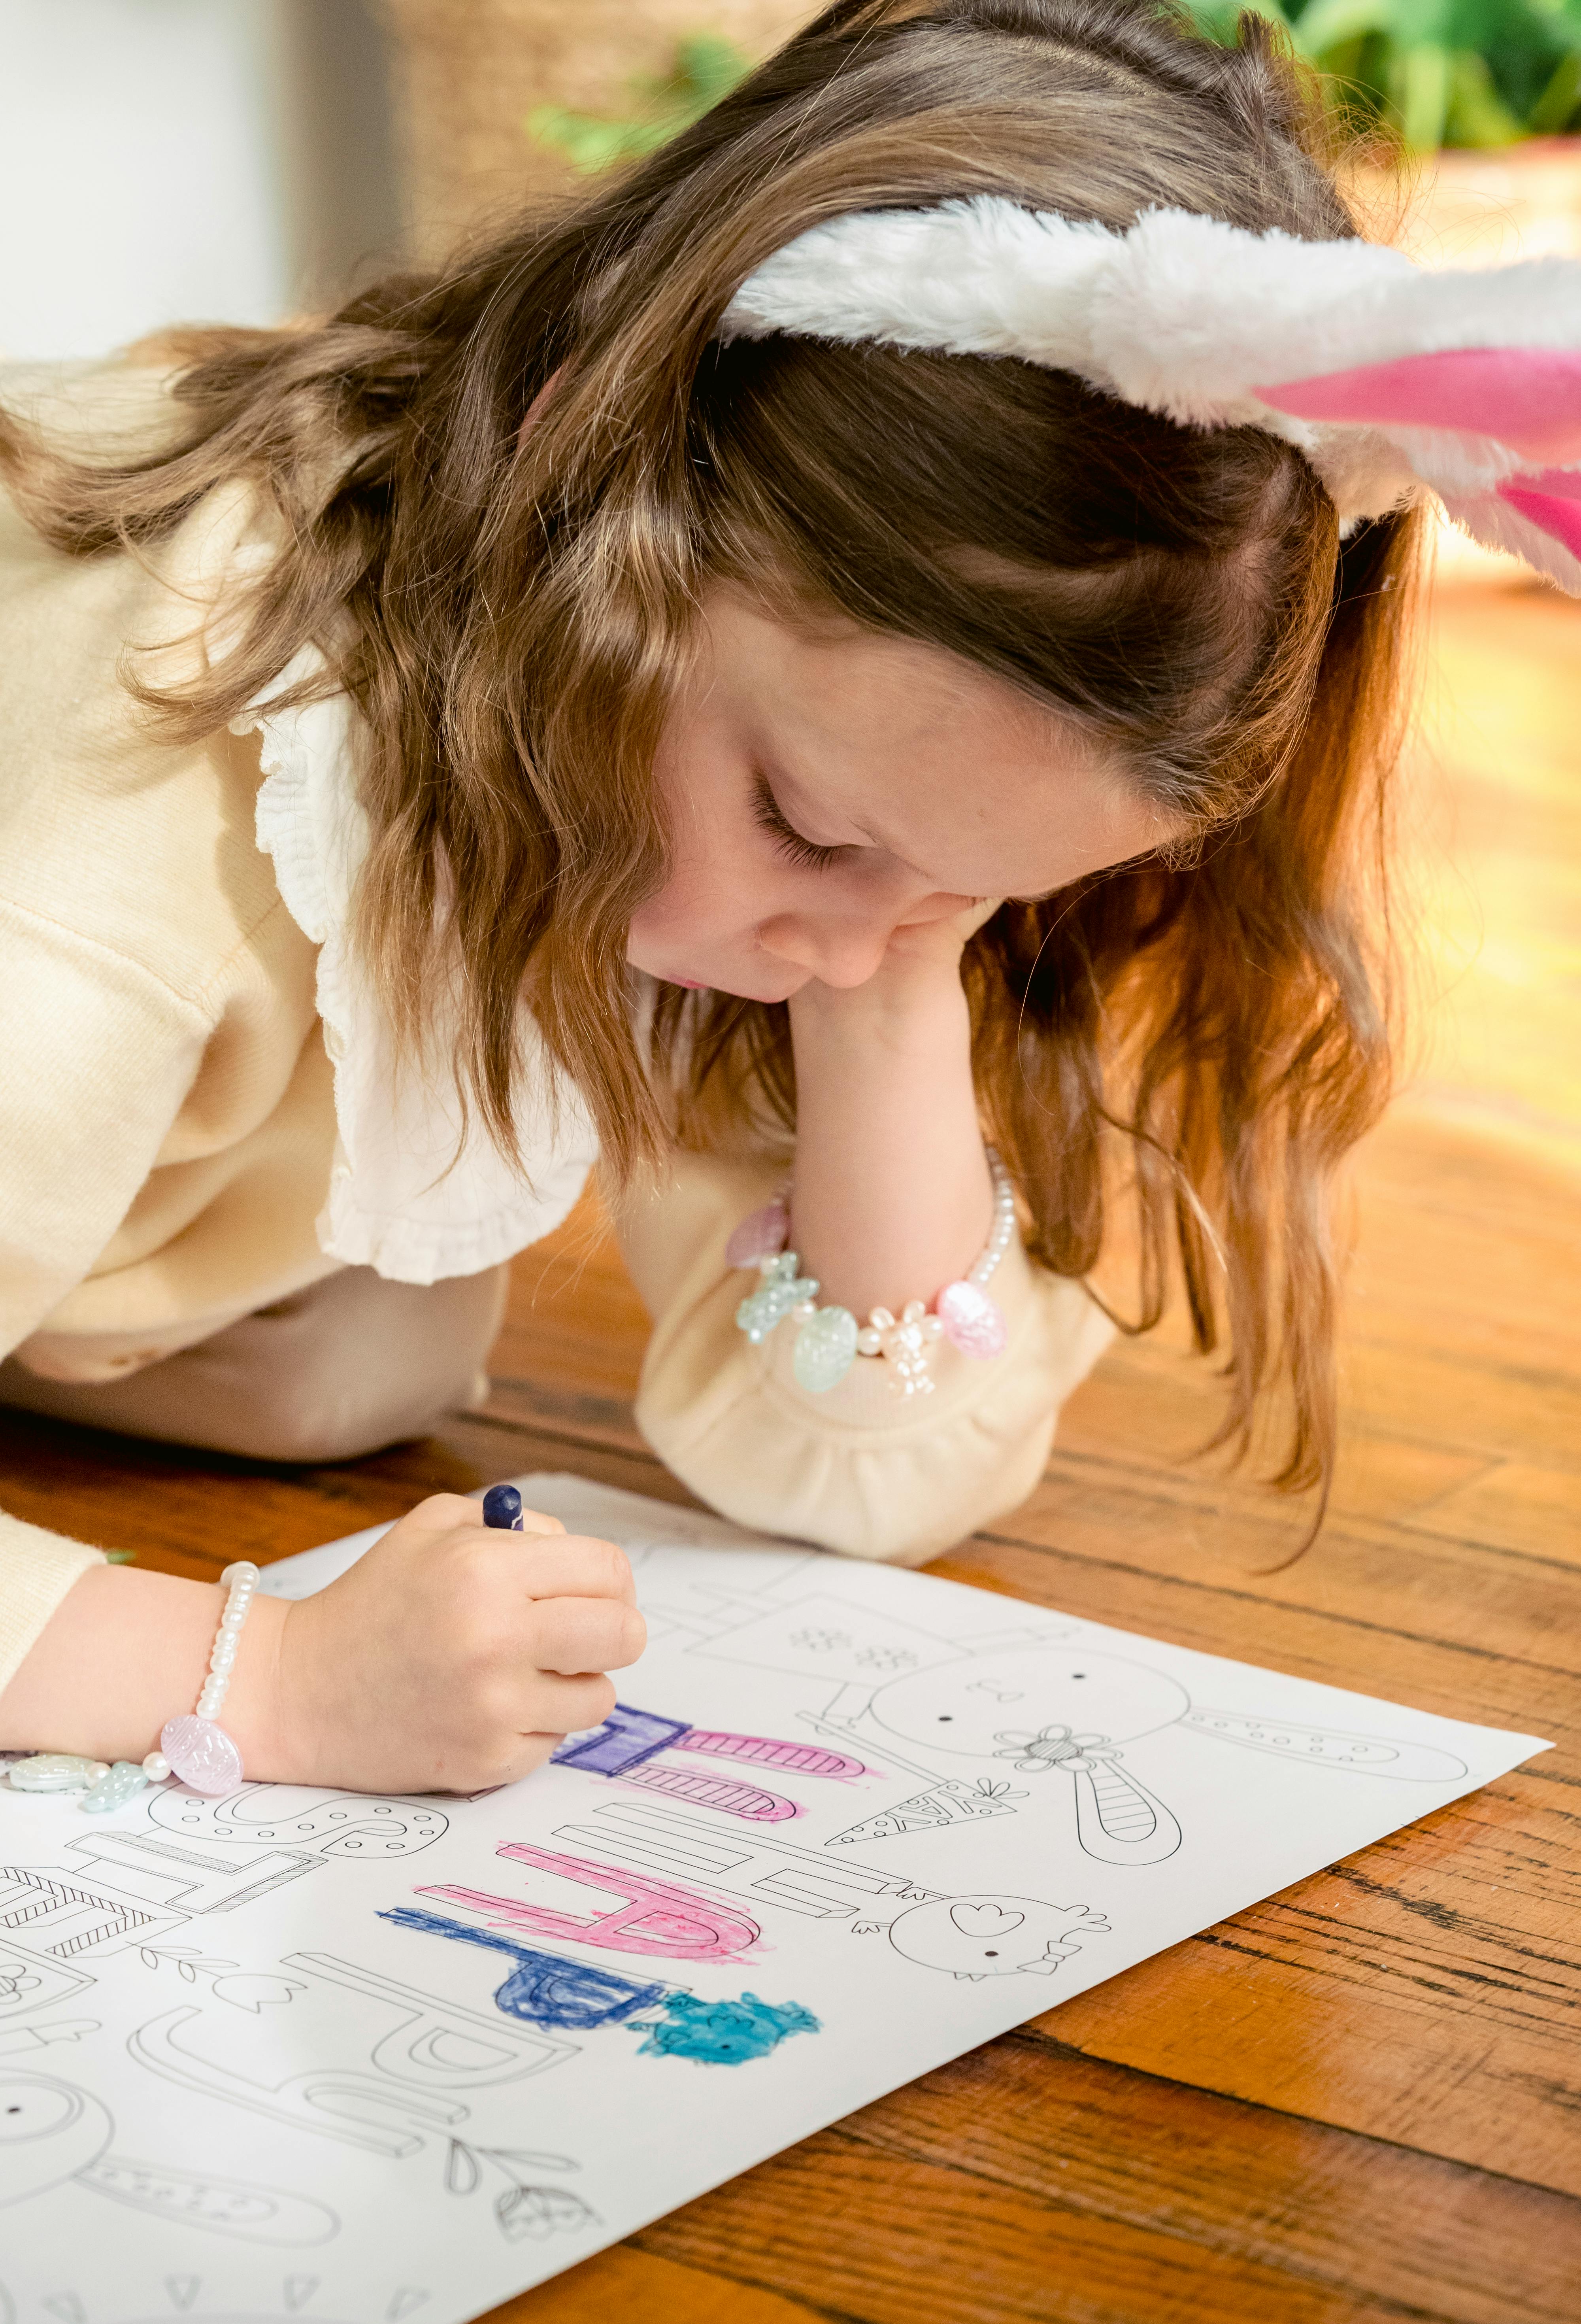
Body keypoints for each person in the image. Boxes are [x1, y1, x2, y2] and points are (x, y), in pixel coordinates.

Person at [2, 0, 1575, 1795]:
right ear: (580, 469)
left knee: (361, 1355)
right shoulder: (104, 892)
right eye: (810, 832)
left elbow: (860, 1470)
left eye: (965, 896)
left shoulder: (724, 770)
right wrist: (258, 1677)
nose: (838, 942)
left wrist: (892, 966)